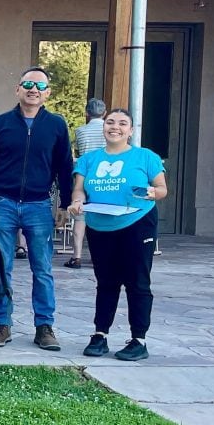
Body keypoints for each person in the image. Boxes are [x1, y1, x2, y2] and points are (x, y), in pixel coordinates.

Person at [0, 66, 75, 351]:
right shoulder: (0, 123)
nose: (33, 89)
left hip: (38, 205)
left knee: (42, 268)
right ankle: (2, 324)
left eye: (40, 86)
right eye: (28, 84)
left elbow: (64, 167)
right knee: (1, 268)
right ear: (17, 89)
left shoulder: (56, 125)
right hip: (3, 203)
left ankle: (44, 327)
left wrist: (65, 204)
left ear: (48, 93)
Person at [69, 108, 168, 361]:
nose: (115, 127)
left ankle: (138, 340)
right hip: (100, 226)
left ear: (131, 130)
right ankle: (100, 334)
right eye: (110, 122)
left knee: (137, 282)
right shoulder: (88, 160)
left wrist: (152, 193)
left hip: (137, 223)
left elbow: (161, 189)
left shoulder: (146, 157)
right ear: (103, 126)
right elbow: (79, 191)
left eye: (123, 123)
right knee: (106, 282)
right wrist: (77, 203)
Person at [67, 98, 108, 268]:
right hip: (105, 175)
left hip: (84, 174)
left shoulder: (80, 131)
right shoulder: (109, 129)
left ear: (86, 113)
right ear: (105, 113)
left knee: (80, 216)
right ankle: (99, 255)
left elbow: (79, 152)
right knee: (102, 217)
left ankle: (76, 256)